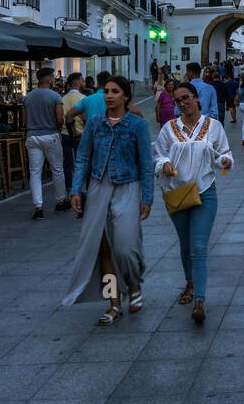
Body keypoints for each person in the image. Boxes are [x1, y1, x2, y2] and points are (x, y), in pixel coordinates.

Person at [64, 76, 153, 326]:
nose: (109, 96)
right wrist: (75, 190)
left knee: (125, 247)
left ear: (125, 96)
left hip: (128, 186)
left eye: (115, 92)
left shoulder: (137, 126)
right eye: (106, 91)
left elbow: (146, 164)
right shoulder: (94, 124)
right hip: (98, 187)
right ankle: (113, 303)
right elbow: (82, 158)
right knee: (101, 248)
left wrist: (147, 197)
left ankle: (134, 284)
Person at [154, 81, 233, 324]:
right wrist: (163, 164)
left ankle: (200, 299)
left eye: (186, 98)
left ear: (196, 98)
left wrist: (225, 162)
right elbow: (158, 154)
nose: (182, 103)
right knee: (185, 243)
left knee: (198, 245)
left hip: (205, 191)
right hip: (177, 193)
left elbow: (224, 153)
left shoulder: (213, 126)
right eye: (177, 100)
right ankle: (190, 282)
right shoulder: (169, 128)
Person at [24, 67, 68, 220]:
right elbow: (59, 119)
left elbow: (25, 120)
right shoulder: (55, 96)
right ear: (48, 79)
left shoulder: (28, 97)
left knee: (35, 172)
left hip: (32, 136)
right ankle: (60, 201)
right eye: (52, 76)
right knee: (57, 169)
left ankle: (38, 207)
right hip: (50, 135)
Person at [61, 72, 86, 168]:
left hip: (65, 133)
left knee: (67, 164)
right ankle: (80, 182)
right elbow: (84, 118)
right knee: (81, 163)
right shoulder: (83, 98)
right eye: (82, 81)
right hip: (80, 134)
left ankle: (69, 183)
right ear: (78, 83)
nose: (84, 83)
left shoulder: (63, 98)